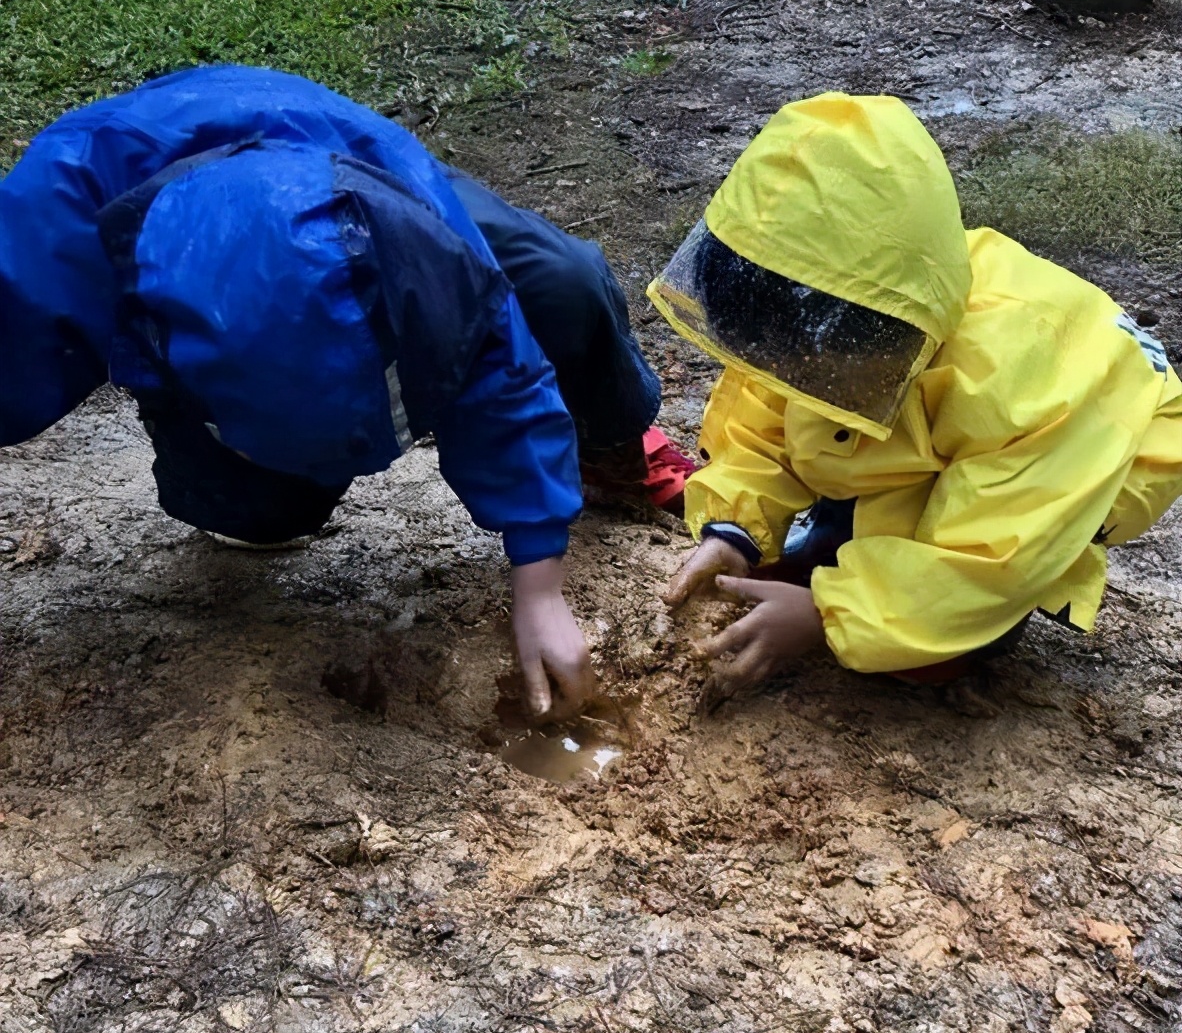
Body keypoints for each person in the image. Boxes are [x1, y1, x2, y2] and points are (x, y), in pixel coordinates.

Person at [0, 65, 695, 715]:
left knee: (561, 285)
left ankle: (611, 443)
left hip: (346, 169)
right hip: (158, 257)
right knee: (263, 508)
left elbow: (499, 360)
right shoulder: (40, 256)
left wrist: (539, 579)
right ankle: (248, 480)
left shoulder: (415, 234)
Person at [656, 92, 1182, 693]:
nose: (789, 377)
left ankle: (929, 588)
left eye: (813, 370)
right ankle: (858, 543)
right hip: (966, 406)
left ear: (887, 339)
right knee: (854, 441)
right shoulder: (812, 301)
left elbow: (990, 560)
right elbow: (761, 417)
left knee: (924, 656)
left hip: (1097, 441)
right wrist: (734, 529)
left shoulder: (1017, 388)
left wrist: (827, 615)